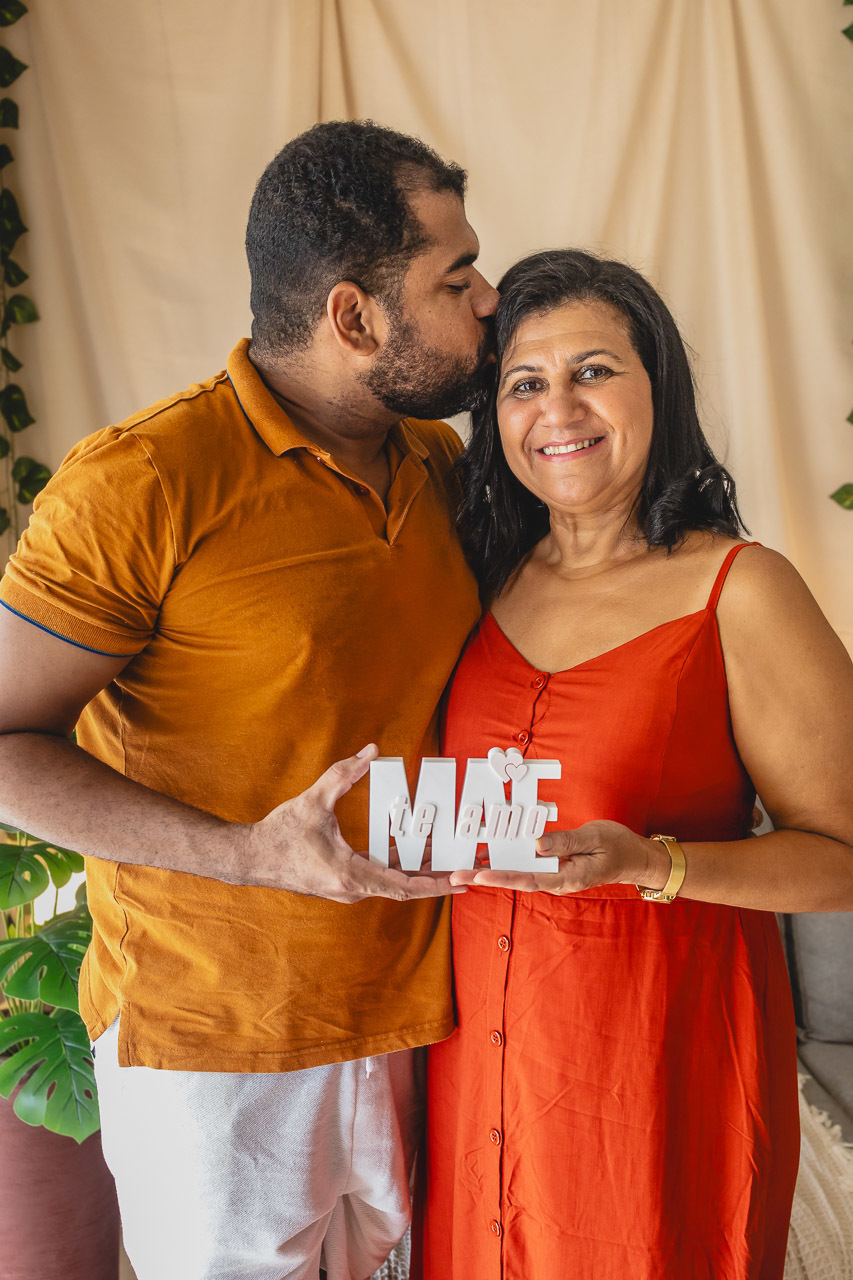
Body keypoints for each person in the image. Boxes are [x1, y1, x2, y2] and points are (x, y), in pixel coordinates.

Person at [0, 121, 499, 1280]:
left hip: (417, 1014)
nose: (485, 299)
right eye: (454, 276)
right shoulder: (141, 484)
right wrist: (246, 852)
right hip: (211, 1036)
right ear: (353, 316)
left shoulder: (442, 467)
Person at [417, 249, 853, 1280]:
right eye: (524, 382)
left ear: (658, 384)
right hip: (477, 1061)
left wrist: (654, 864)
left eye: (594, 370)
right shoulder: (476, 575)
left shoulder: (739, 588)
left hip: (653, 1062)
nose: (557, 406)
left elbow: (842, 853)